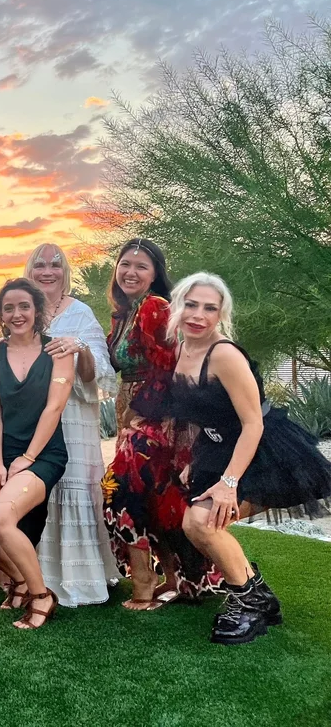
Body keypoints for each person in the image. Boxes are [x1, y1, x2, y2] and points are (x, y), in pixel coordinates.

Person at [168, 273, 331, 644]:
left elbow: (252, 423)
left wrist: (228, 485)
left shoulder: (223, 354)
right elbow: (206, 415)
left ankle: (249, 603)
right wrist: (196, 459)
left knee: (202, 522)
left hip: (263, 451)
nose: (198, 315)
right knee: (194, 522)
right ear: (178, 305)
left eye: (210, 308)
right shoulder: (181, 350)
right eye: (191, 305)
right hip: (218, 449)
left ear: (221, 314)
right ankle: (258, 599)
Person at [102, 238, 219, 610]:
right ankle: (176, 579)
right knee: (154, 498)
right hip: (134, 414)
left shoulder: (154, 307)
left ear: (155, 275)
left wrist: (140, 412)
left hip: (157, 418)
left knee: (122, 490)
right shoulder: (124, 314)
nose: (131, 272)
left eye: (141, 266)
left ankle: (144, 581)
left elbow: (167, 366)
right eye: (125, 264)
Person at [0, 280, 72, 629]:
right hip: (0, 450)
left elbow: (54, 408)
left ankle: (41, 596)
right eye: (9, 308)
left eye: (24, 306)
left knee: (1, 519)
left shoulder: (59, 352)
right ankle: (21, 581)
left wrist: (27, 458)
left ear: (37, 311)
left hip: (43, 454)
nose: (17, 314)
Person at [24, 244, 119, 607]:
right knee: (37, 491)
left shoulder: (80, 313)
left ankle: (82, 579)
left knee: (74, 485)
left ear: (65, 272)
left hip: (75, 417)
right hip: (34, 417)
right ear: (29, 271)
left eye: (55, 265)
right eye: (39, 265)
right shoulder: (26, 311)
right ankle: (34, 575)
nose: (47, 271)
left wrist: (78, 347)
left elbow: (98, 376)